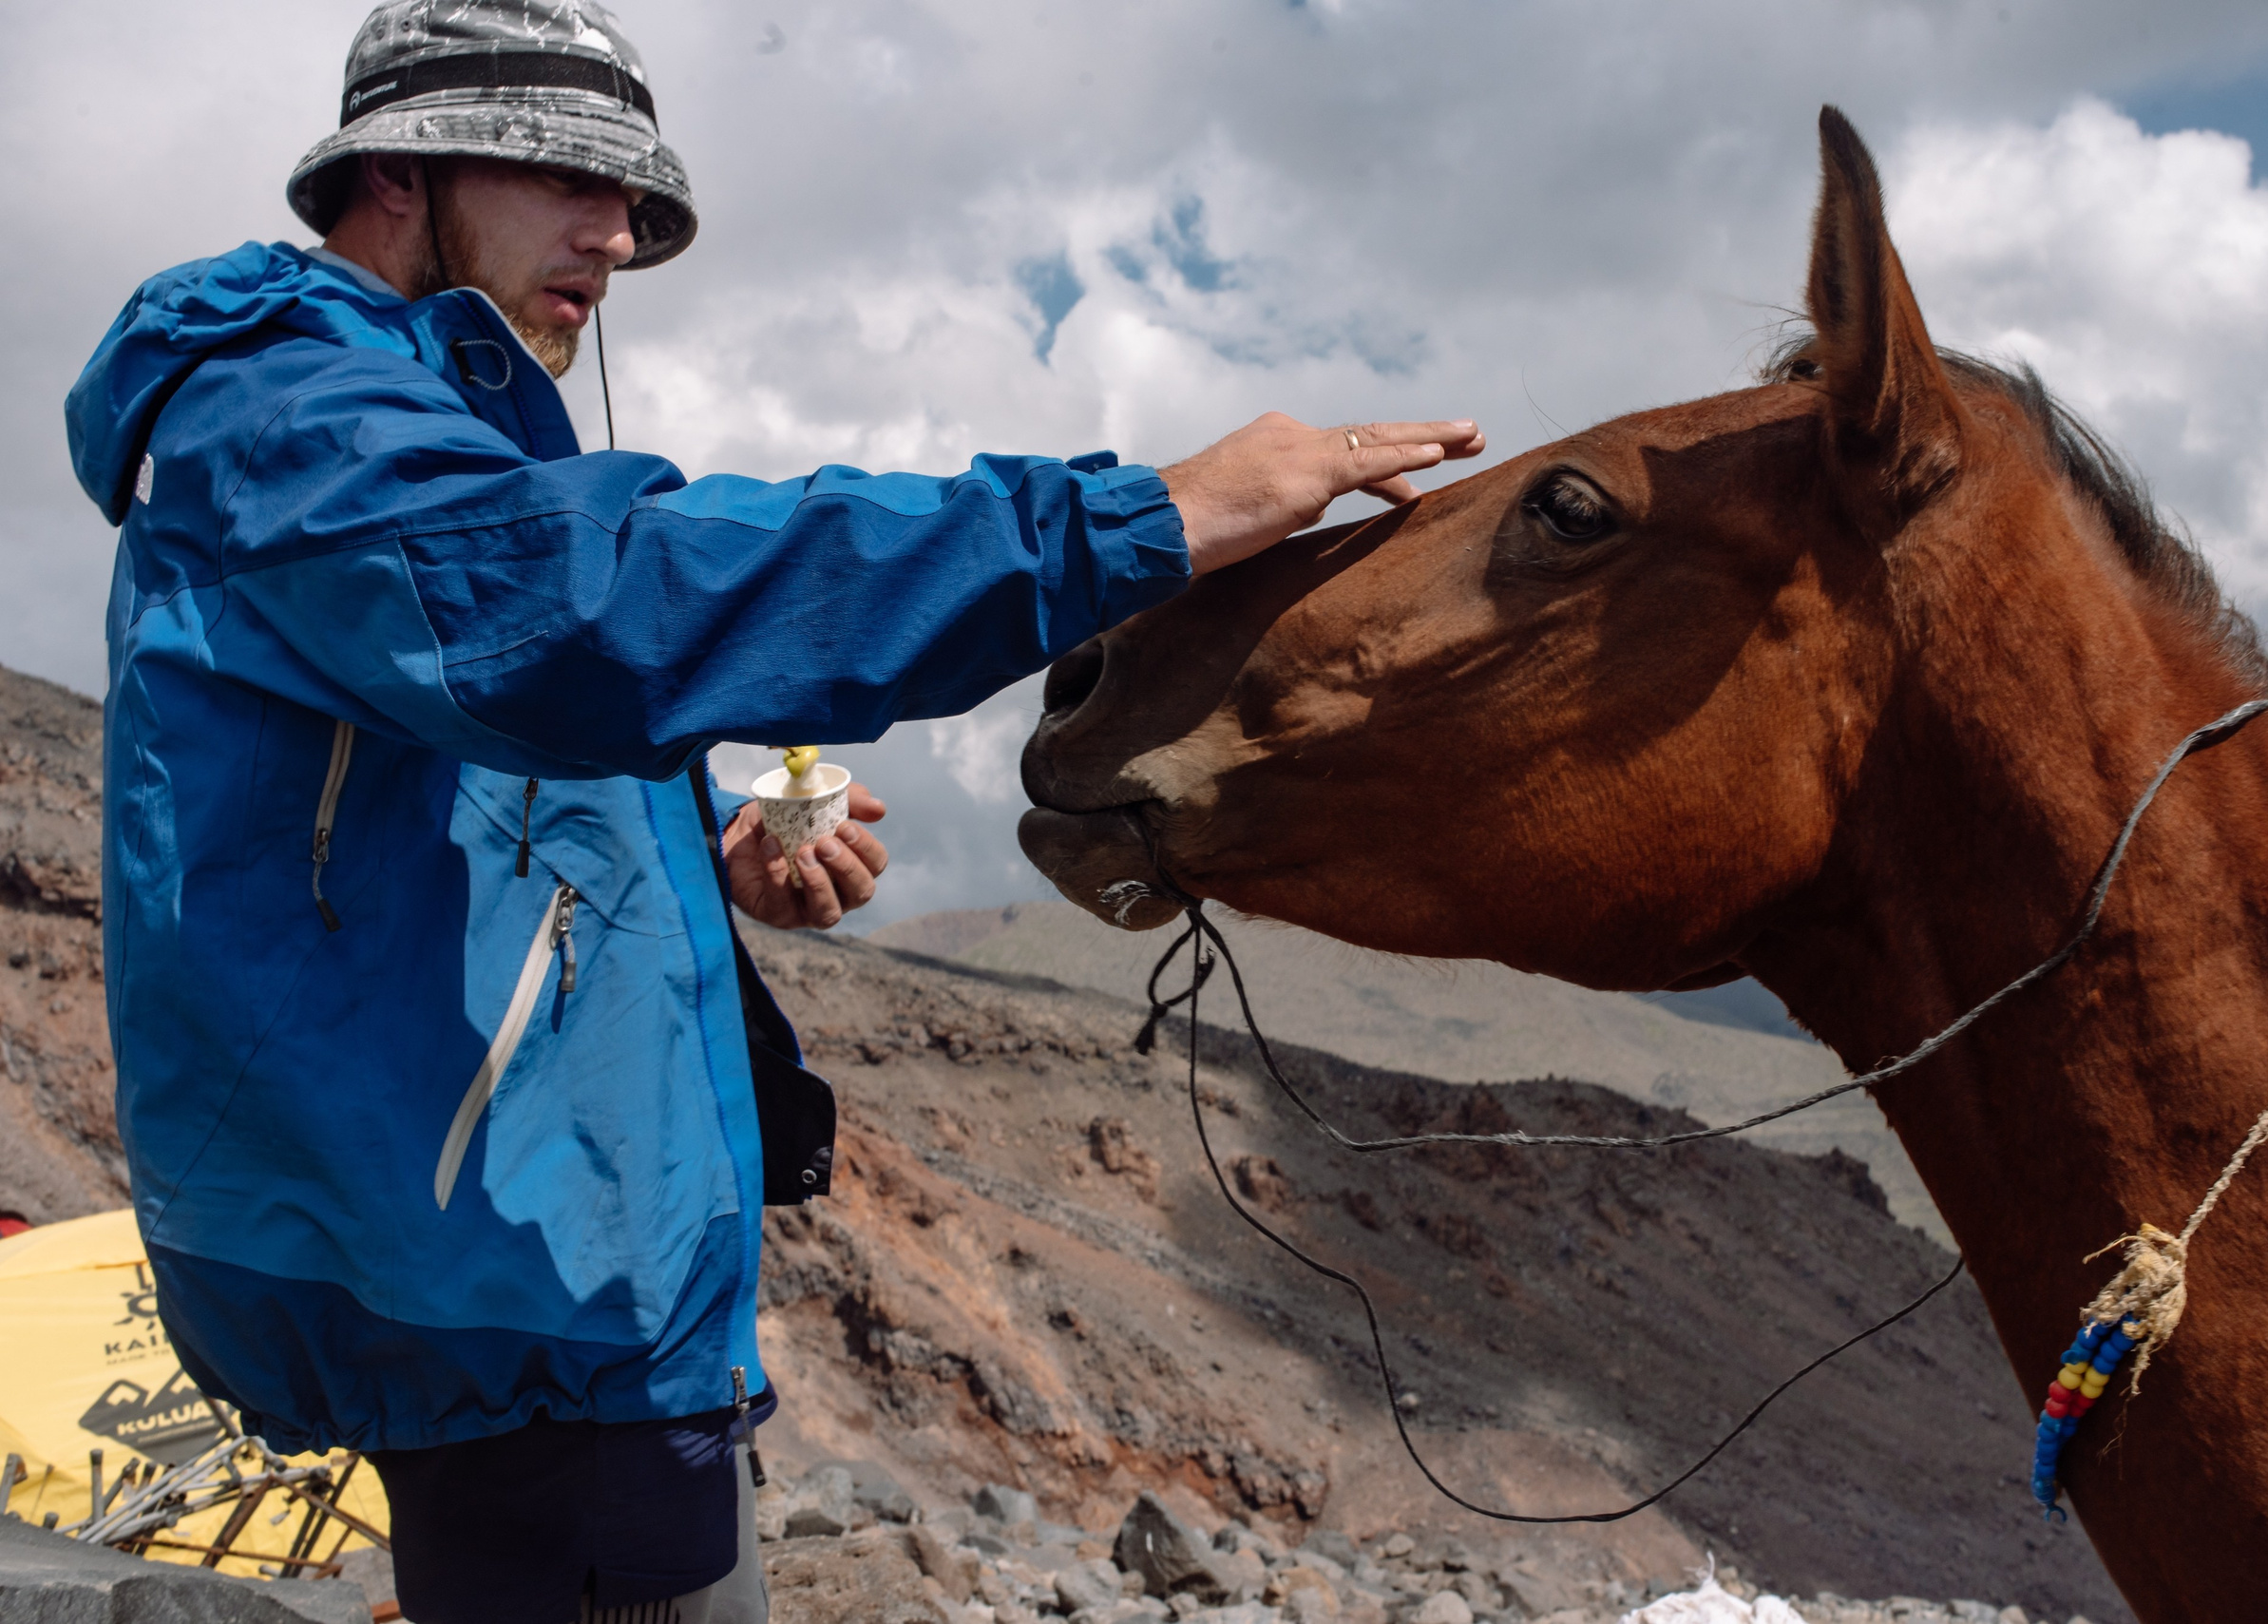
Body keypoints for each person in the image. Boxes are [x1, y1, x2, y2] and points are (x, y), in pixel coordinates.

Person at [61, 4, 1482, 1621]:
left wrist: (714, 854)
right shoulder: (291, 415)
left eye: (641, 205)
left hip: (558, 1287)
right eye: (567, 179)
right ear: (397, 165)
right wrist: (1142, 515)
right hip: (525, 1300)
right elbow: (598, 614)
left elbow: (464, 750)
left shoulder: (397, 432)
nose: (616, 236)